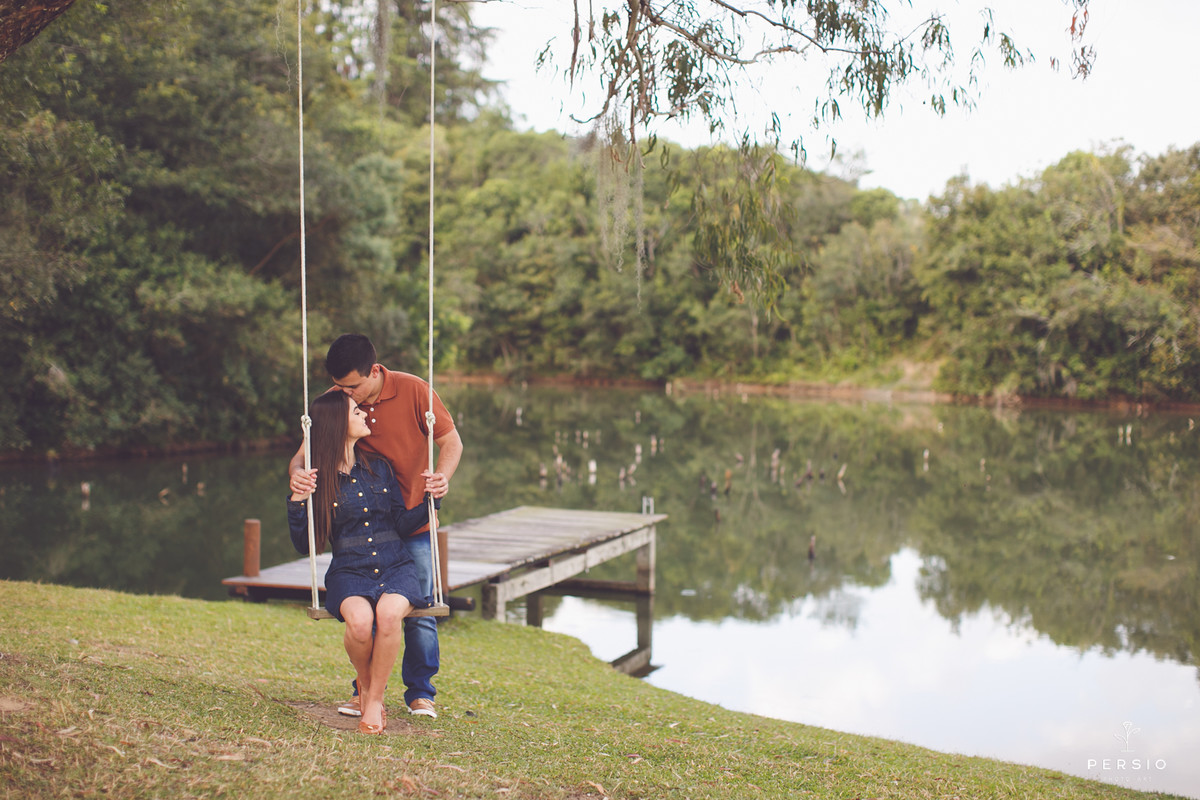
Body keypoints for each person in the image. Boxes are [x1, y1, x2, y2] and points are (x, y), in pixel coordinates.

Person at [289, 333, 463, 719]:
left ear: (373, 372)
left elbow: (452, 442)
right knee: (363, 614)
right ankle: (364, 691)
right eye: (338, 386)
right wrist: (298, 480)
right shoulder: (340, 404)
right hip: (357, 522)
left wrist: (440, 482)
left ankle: (420, 692)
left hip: (411, 519)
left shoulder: (415, 390)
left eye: (351, 386)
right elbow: (304, 456)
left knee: (418, 613)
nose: (345, 394)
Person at [287, 391, 435, 735]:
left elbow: (398, 521)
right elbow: (303, 543)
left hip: (396, 565)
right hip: (349, 570)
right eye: (357, 411)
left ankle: (373, 702)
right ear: (339, 423)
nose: (365, 415)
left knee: (387, 616)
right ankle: (367, 689)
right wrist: (297, 501)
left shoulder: (378, 468)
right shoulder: (316, 479)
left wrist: (431, 500)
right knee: (358, 623)